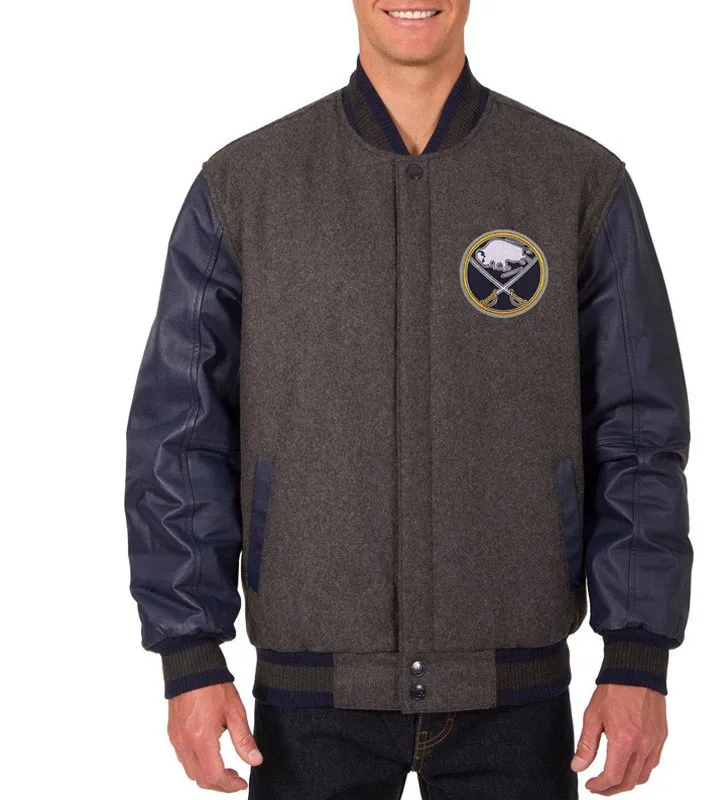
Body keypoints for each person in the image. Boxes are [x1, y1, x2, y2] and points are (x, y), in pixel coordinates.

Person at [124, 2, 692, 797]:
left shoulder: (576, 181)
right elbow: (180, 437)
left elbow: (637, 433)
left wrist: (637, 655)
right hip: (309, 702)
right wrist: (189, 654)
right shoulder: (245, 187)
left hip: (517, 697)